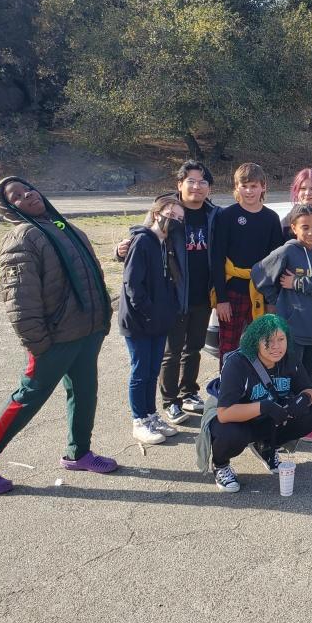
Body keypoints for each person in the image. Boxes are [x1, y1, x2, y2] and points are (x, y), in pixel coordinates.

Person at [0, 178, 116, 494]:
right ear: (8, 208)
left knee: (85, 393)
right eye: (16, 196)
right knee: (27, 398)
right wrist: (37, 343)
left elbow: (91, 273)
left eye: (27, 189)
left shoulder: (63, 226)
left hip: (87, 331)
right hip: (55, 339)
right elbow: (21, 300)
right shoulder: (22, 238)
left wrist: (103, 319)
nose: (27, 195)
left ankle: (78, 453)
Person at [115, 160, 220, 426]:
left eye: (203, 182)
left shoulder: (213, 214)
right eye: (191, 182)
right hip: (172, 294)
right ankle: (170, 400)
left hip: (202, 293)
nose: (197, 187)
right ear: (180, 185)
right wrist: (119, 251)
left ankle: (189, 392)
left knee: (194, 347)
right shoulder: (168, 210)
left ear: (209, 188)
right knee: (171, 351)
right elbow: (140, 238)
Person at [252, 204, 312, 441]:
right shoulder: (287, 252)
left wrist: (300, 283)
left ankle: (302, 418)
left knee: (308, 375)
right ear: (293, 228)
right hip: (292, 327)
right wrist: (275, 300)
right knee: (288, 374)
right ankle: (285, 419)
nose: (311, 232)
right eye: (305, 228)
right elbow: (259, 273)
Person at [206, 315, 312, 491]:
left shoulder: (289, 359)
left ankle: (267, 446)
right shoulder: (237, 363)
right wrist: (263, 406)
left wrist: (303, 399)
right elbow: (224, 413)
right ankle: (220, 464)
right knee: (230, 433)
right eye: (268, 340)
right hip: (237, 418)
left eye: (281, 339)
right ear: (255, 342)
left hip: (270, 416)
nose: (276, 346)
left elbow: (309, 389)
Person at [119, 195, 185, 444]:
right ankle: (139, 420)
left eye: (179, 218)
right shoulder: (142, 240)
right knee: (140, 371)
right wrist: (148, 312)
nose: (175, 221)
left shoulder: (165, 243)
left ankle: (151, 415)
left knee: (152, 370)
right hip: (139, 322)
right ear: (157, 213)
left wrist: (167, 312)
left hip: (159, 321)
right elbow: (132, 284)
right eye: (171, 215)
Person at [211, 162, 284, 365]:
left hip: (260, 291)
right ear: (236, 188)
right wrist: (221, 299)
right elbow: (217, 258)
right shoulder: (227, 216)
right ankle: (228, 389)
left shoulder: (271, 218)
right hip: (232, 290)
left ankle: (258, 388)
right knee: (228, 345)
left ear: (263, 187)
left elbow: (276, 264)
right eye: (244, 186)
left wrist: (271, 301)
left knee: (263, 344)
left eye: (254, 186)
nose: (249, 191)